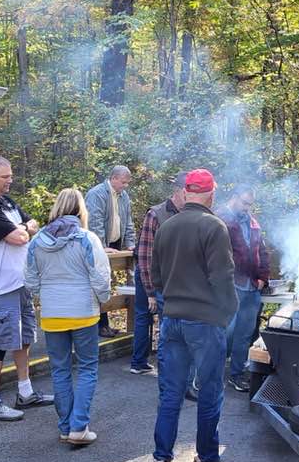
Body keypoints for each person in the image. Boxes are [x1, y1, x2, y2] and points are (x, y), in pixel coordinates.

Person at [147, 169, 245, 462]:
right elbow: (222, 278)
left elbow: (156, 277)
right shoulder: (213, 226)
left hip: (172, 321)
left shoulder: (166, 226)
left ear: (187, 192)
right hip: (204, 323)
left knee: (170, 394)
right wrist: (228, 312)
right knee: (210, 393)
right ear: (211, 194)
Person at [0, 155, 53, 422]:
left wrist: (24, 228)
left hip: (18, 283)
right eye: (5, 177)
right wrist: (24, 229)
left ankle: (25, 392)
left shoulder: (6, 202)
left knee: (24, 338)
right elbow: (20, 237)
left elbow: (33, 223)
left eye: (11, 176)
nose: (10, 181)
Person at [26, 189, 111, 446]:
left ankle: (65, 427)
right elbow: (100, 276)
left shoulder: (37, 241)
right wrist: (102, 298)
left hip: (53, 314)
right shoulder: (87, 238)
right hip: (83, 312)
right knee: (86, 368)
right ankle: (79, 426)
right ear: (81, 209)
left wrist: (44, 296)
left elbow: (30, 279)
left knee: (60, 370)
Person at [130, 171, 186, 375]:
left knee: (164, 323)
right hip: (151, 276)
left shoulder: (188, 215)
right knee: (145, 317)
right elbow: (145, 255)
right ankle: (141, 363)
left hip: (171, 280)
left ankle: (152, 366)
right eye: (188, 193)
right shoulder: (156, 214)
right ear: (178, 191)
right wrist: (150, 292)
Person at [217, 185, 270, 393]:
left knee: (244, 335)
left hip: (251, 288)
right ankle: (212, 374)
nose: (247, 208)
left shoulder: (252, 222)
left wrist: (263, 277)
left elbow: (262, 251)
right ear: (234, 197)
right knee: (224, 333)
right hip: (231, 287)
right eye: (244, 203)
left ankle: (236, 375)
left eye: (250, 204)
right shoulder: (220, 219)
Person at [85, 165, 136, 338]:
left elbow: (128, 221)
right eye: (123, 182)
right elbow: (94, 222)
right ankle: (99, 325)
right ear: (113, 178)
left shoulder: (124, 196)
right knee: (98, 283)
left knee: (107, 283)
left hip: (114, 244)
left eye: (127, 183)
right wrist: (100, 246)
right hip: (98, 246)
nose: (125, 186)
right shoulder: (97, 194)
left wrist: (130, 244)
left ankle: (105, 324)